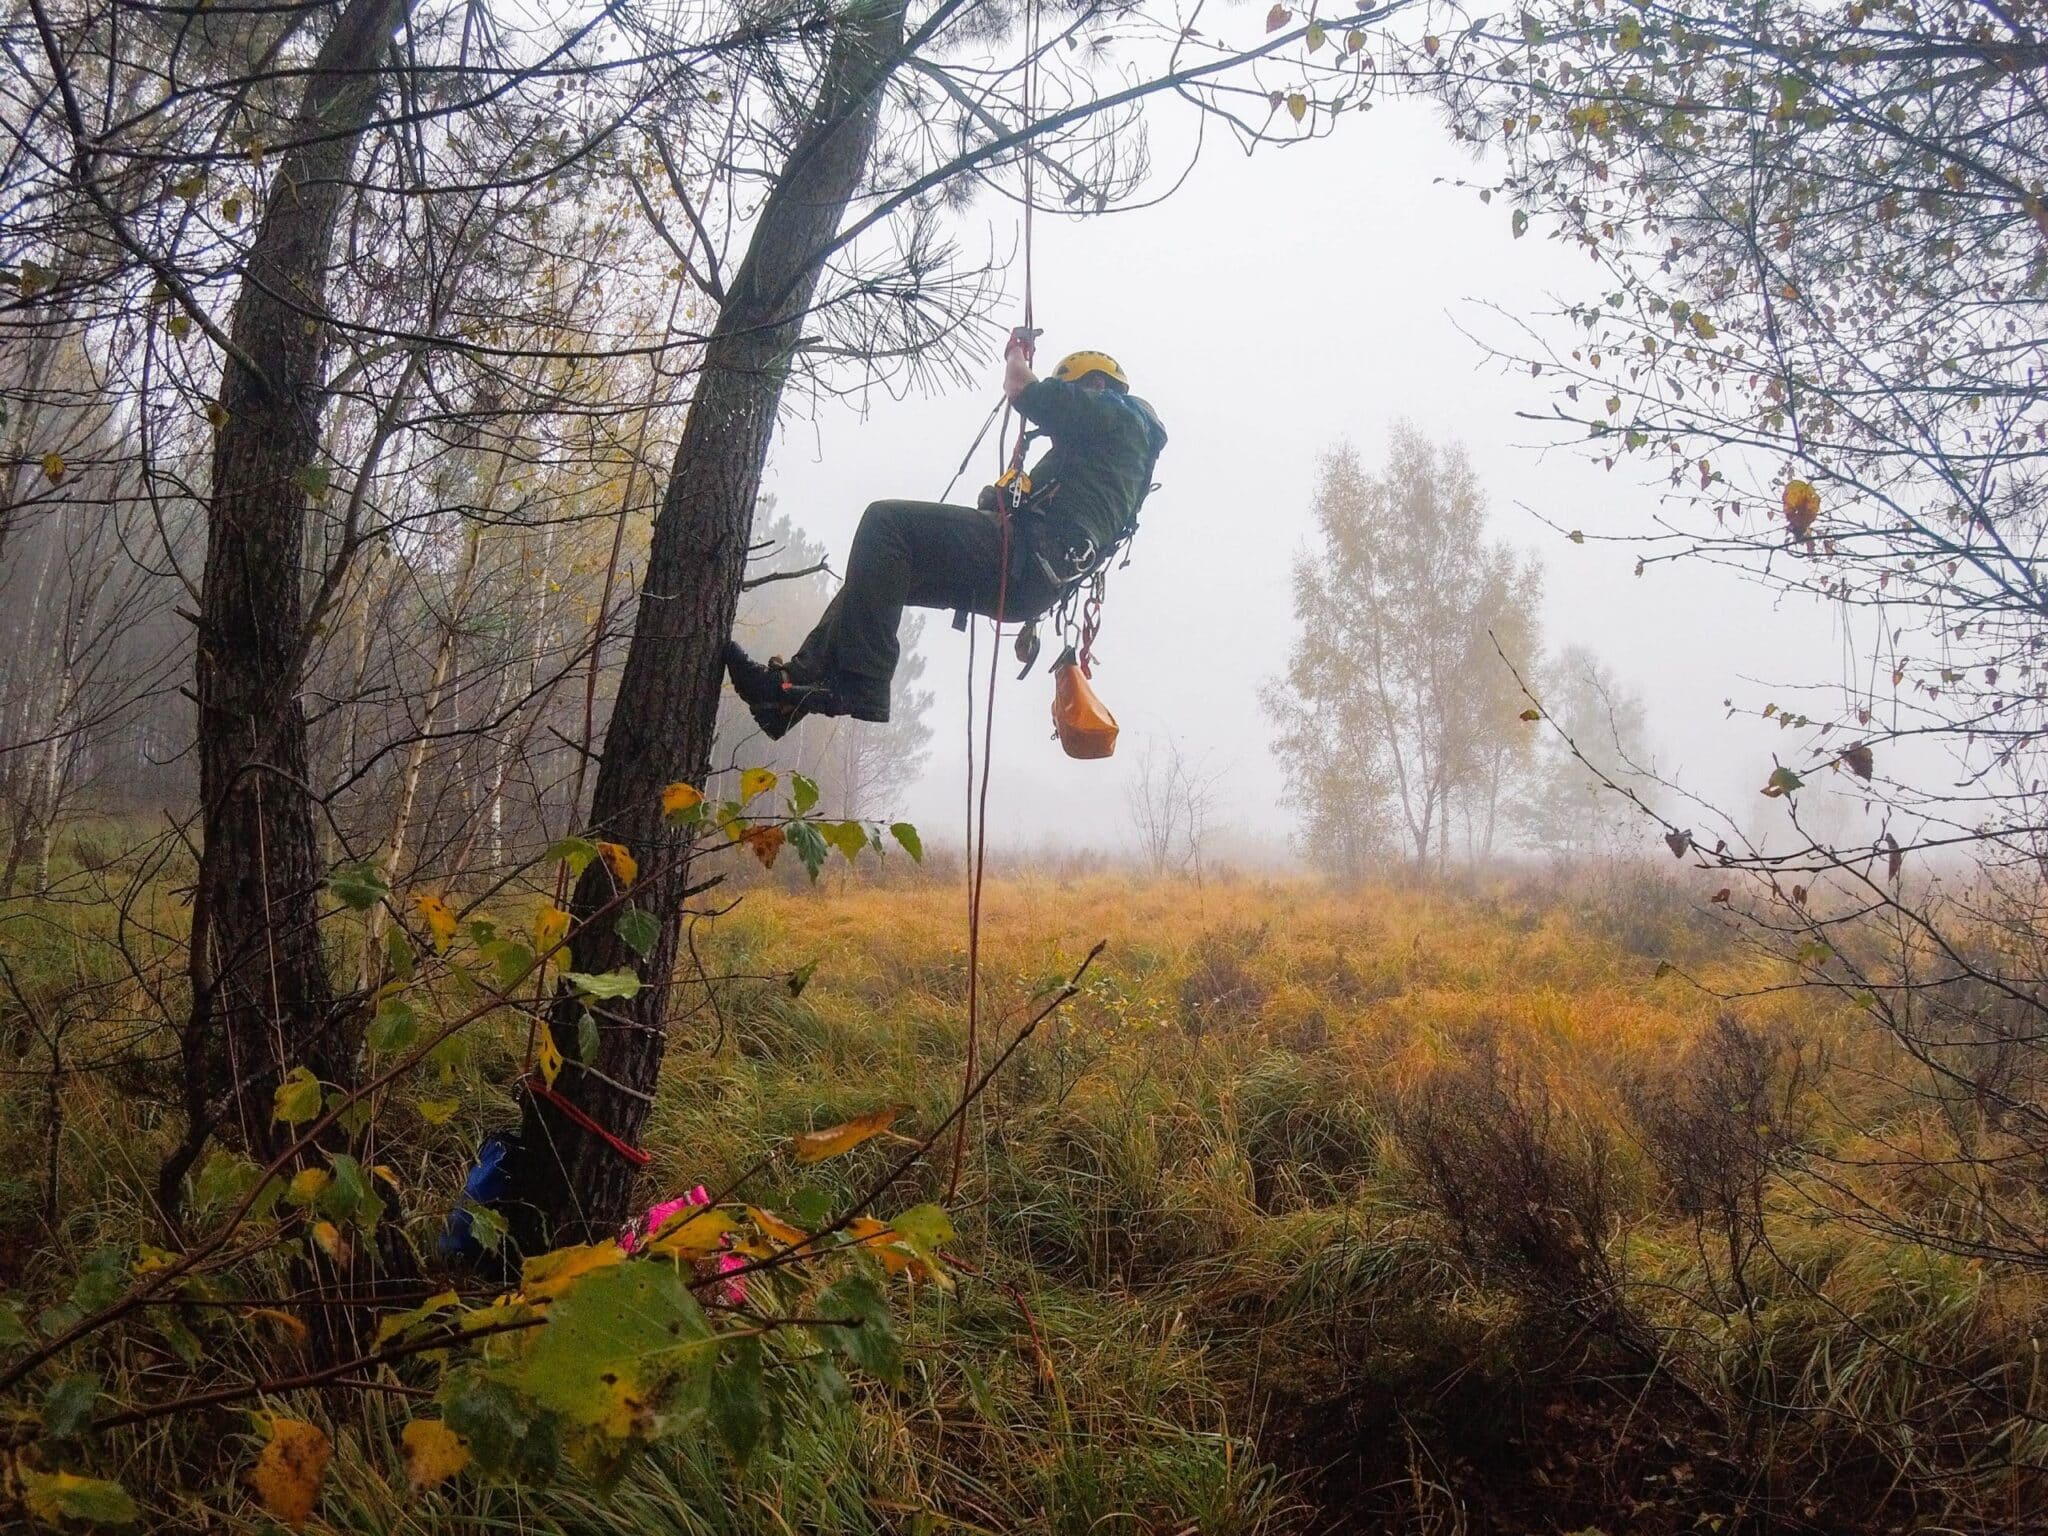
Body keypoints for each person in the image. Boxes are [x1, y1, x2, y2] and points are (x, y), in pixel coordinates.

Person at [724, 334, 1168, 740]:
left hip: (1024, 561)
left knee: (886, 524)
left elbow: (1023, 390)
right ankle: (784, 695)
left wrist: (1016, 353)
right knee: (877, 576)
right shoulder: (1108, 460)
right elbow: (1023, 504)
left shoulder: (1118, 415)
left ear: (1092, 384)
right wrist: (1001, 497)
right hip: (1027, 580)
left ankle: (861, 684)